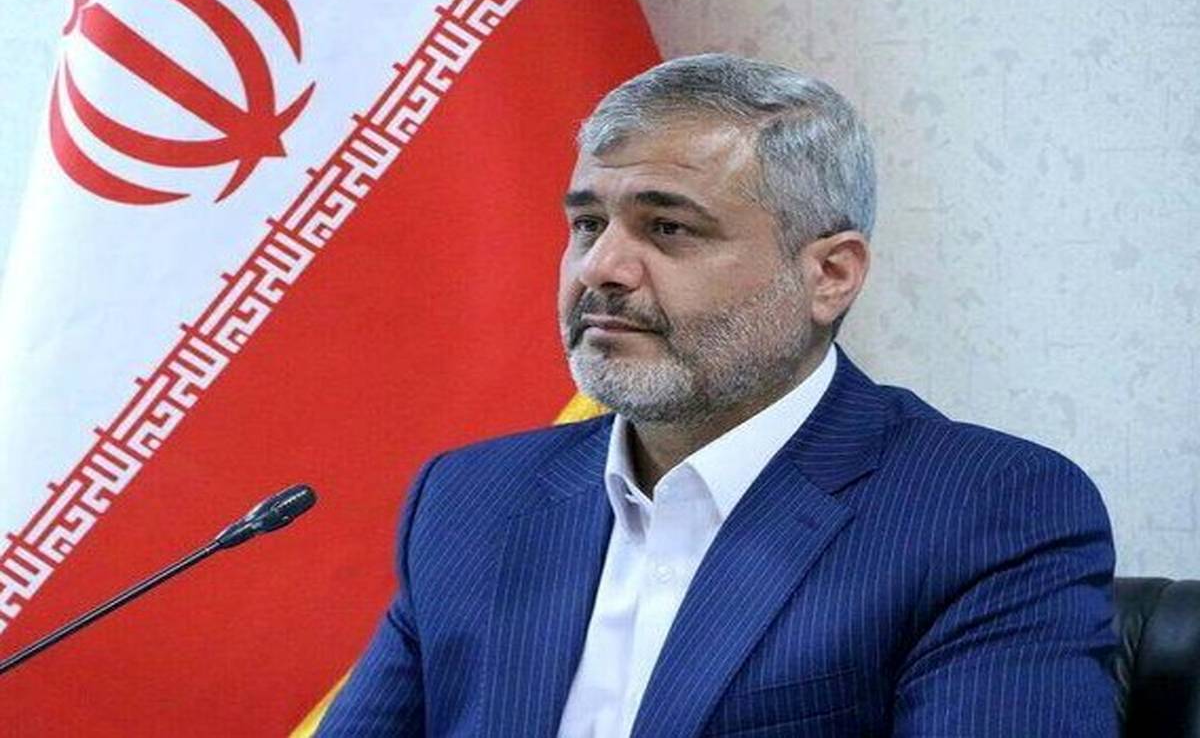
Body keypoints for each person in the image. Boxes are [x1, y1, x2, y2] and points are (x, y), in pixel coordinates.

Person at [318, 54, 1116, 737]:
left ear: (829, 274)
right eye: (589, 224)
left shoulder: (983, 509)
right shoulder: (473, 498)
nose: (601, 268)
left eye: (668, 228)